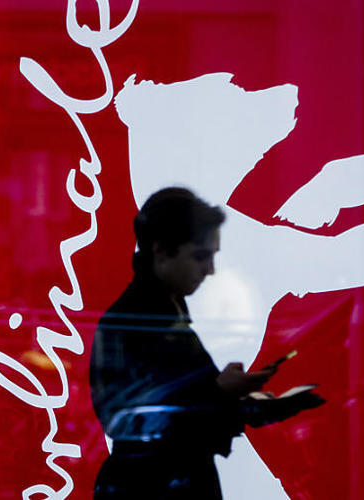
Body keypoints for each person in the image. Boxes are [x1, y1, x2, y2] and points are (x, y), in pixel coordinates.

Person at [90, 187, 322, 499]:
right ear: (160, 250)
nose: (210, 270)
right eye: (201, 256)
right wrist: (223, 392)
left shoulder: (162, 314)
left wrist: (256, 403)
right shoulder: (137, 319)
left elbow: (177, 410)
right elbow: (130, 422)